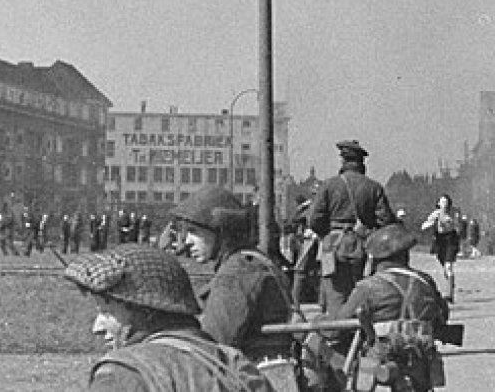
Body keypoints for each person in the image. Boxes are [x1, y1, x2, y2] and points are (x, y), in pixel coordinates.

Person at [63, 245, 274, 391]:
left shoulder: (123, 373)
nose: (97, 327)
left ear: (144, 311)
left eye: (107, 312)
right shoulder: (237, 367)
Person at [173, 186, 292, 363]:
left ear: (220, 231)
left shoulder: (236, 273)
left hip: (253, 370)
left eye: (194, 231)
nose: (188, 242)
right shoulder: (251, 260)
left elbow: (212, 346)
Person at [334, 223, 450, 392]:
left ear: (374, 259)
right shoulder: (425, 281)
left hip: (381, 355)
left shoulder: (368, 286)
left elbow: (339, 325)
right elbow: (443, 315)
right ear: (405, 255)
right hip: (421, 355)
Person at [304, 140, 396, 317]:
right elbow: (386, 221)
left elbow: (314, 220)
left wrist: (327, 235)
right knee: (360, 294)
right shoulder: (374, 187)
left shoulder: (329, 185)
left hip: (332, 247)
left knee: (336, 296)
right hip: (361, 246)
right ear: (362, 163)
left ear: (343, 161)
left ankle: (338, 330)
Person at [421, 195, 461, 302]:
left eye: (446, 202)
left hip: (451, 240)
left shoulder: (454, 213)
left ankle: (450, 295)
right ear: (438, 204)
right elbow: (423, 226)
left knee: (448, 267)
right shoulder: (436, 214)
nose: (444, 205)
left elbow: (458, 226)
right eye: (442, 202)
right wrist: (430, 224)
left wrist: (453, 222)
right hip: (440, 241)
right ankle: (450, 283)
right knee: (445, 268)